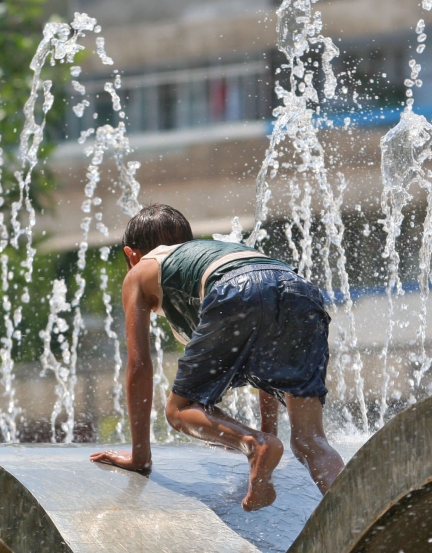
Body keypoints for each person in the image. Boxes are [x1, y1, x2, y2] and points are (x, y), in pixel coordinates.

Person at [90, 204, 344, 511]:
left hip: (237, 290)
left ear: (132, 255)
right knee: (310, 442)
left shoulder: (142, 270)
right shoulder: (211, 255)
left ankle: (252, 444)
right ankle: (360, 522)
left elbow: (139, 365)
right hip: (300, 291)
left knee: (179, 410)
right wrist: (269, 429)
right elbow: (266, 362)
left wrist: (140, 456)